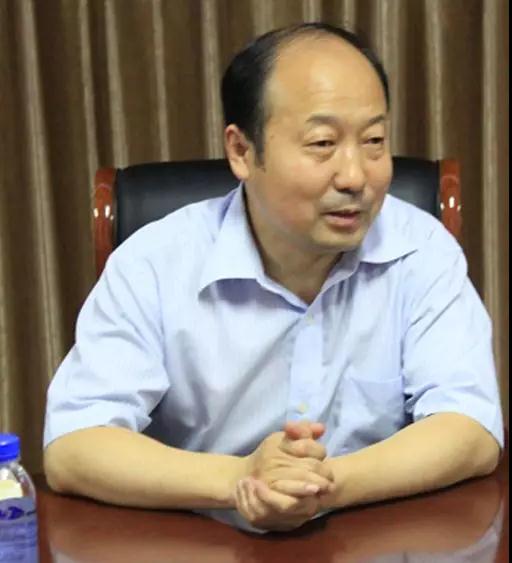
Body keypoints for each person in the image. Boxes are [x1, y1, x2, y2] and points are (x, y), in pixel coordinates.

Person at [43, 23, 503, 533]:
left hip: (371, 540)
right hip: (201, 542)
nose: (355, 176)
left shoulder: (421, 249)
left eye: (374, 141)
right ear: (242, 151)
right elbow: (75, 444)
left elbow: (471, 428)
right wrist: (239, 480)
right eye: (323, 143)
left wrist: (324, 484)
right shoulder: (155, 263)